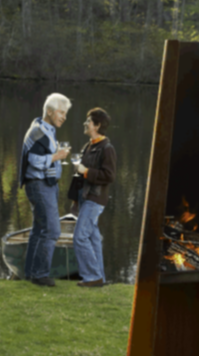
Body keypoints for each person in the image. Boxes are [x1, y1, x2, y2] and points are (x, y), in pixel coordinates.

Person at [19, 93, 72, 287]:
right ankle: (40, 275)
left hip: (45, 186)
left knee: (39, 229)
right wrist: (57, 157)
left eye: (65, 114)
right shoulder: (38, 131)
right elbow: (34, 161)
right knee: (51, 230)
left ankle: (31, 272)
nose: (64, 117)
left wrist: (56, 157)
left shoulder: (45, 129)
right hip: (39, 186)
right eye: (61, 112)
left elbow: (43, 157)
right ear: (49, 111)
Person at [72, 108, 117, 288]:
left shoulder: (107, 149)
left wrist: (86, 171)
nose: (85, 124)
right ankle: (100, 278)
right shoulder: (89, 146)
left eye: (88, 121)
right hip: (85, 198)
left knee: (79, 237)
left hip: (95, 199)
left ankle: (92, 277)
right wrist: (75, 199)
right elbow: (81, 176)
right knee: (93, 239)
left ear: (97, 125)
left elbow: (110, 176)